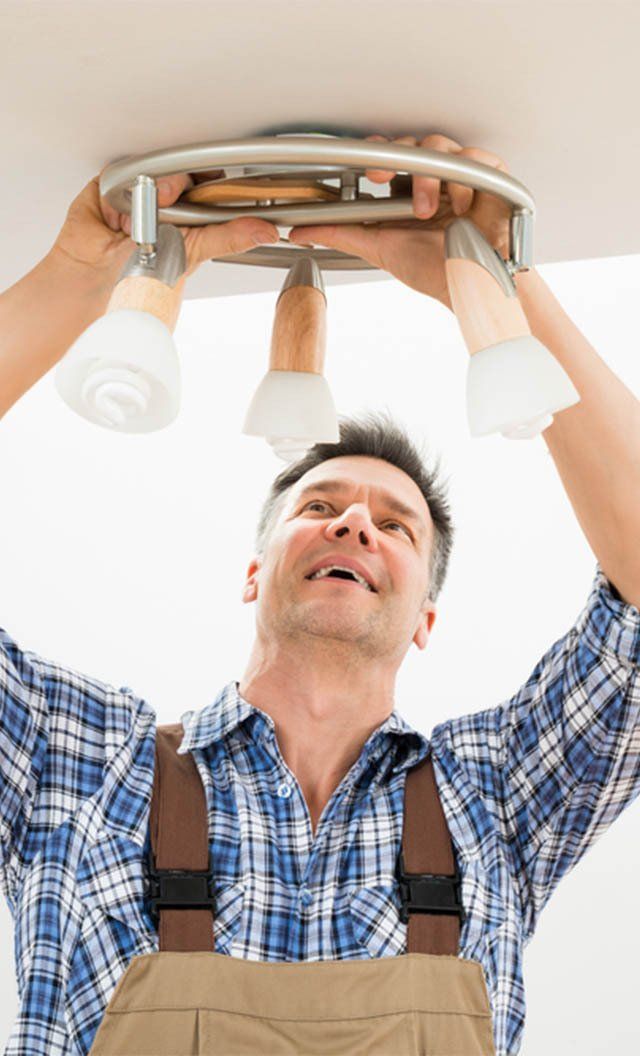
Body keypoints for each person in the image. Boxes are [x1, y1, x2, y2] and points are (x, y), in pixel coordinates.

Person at [0, 132, 638, 1056]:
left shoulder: (494, 798)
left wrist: (502, 286)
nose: (354, 527)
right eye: (321, 505)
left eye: (396, 525)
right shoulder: (80, 765)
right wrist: (75, 274)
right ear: (255, 571)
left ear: (426, 616)